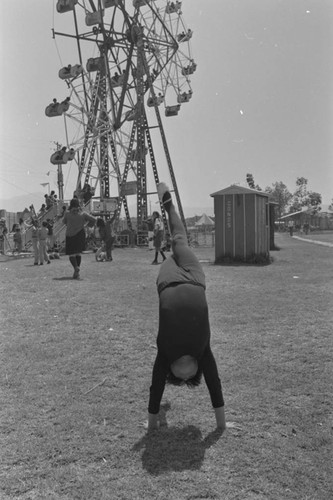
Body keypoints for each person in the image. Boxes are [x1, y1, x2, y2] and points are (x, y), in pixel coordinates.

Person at [147, 183, 226, 433]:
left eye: (176, 377)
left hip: (168, 280)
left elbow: (156, 386)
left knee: (172, 250)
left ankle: (168, 215)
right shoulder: (203, 353)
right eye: (187, 377)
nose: (182, 374)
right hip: (193, 276)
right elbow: (214, 384)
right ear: (196, 370)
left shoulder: (165, 354)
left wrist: (151, 424)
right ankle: (168, 204)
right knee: (179, 241)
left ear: (169, 369)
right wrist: (221, 424)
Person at [62, 198, 97, 279]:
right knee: (78, 253)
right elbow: (94, 220)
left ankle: (75, 268)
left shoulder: (67, 214)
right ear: (78, 204)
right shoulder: (83, 214)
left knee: (71, 254)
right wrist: (87, 225)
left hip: (70, 235)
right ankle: (77, 272)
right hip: (80, 234)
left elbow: (64, 222)